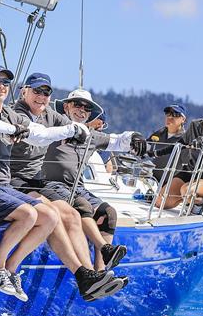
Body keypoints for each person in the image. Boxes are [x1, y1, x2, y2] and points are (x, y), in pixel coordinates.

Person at [9, 73, 127, 301]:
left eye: (46, 93)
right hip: (31, 183)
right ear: (24, 91)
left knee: (93, 214)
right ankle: (90, 270)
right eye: (36, 91)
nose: (41, 96)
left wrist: (133, 140)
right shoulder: (28, 116)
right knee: (66, 211)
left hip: (47, 184)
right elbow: (38, 134)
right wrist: (69, 130)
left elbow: (108, 139)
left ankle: (96, 275)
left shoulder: (64, 123)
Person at [0, 65, 59, 301]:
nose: (1, 86)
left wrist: (74, 130)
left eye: (5, 83)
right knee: (28, 215)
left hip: (4, 187)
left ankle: (11, 269)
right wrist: (13, 129)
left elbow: (40, 133)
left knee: (50, 217)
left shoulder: (11, 115)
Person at [43, 89, 147, 271]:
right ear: (66, 106)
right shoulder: (54, 126)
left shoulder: (90, 136)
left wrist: (134, 137)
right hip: (51, 185)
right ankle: (104, 250)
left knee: (109, 214)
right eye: (77, 104)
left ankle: (100, 272)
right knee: (82, 205)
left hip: (76, 188)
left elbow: (117, 140)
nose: (82, 110)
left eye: (87, 107)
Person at [153, 97, 203, 212]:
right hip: (189, 172)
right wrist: (155, 153)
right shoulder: (195, 125)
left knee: (187, 190)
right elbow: (180, 144)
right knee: (159, 201)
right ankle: (189, 199)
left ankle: (199, 201)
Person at [148, 104, 187, 181]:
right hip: (151, 181)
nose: (170, 118)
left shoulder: (185, 139)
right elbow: (144, 150)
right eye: (168, 114)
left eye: (175, 114)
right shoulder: (157, 134)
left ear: (183, 119)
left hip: (169, 186)